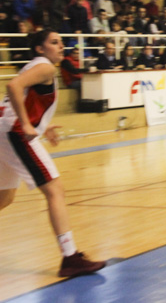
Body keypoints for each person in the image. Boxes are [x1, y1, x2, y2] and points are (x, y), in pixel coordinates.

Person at [0, 30, 106, 277]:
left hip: (4, 130)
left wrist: (41, 125)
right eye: (54, 42)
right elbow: (13, 86)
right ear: (40, 48)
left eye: (61, 42)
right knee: (55, 189)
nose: (61, 46)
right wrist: (27, 125)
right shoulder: (45, 67)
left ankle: (70, 257)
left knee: (4, 197)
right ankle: (69, 257)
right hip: (14, 132)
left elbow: (19, 98)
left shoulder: (37, 66)